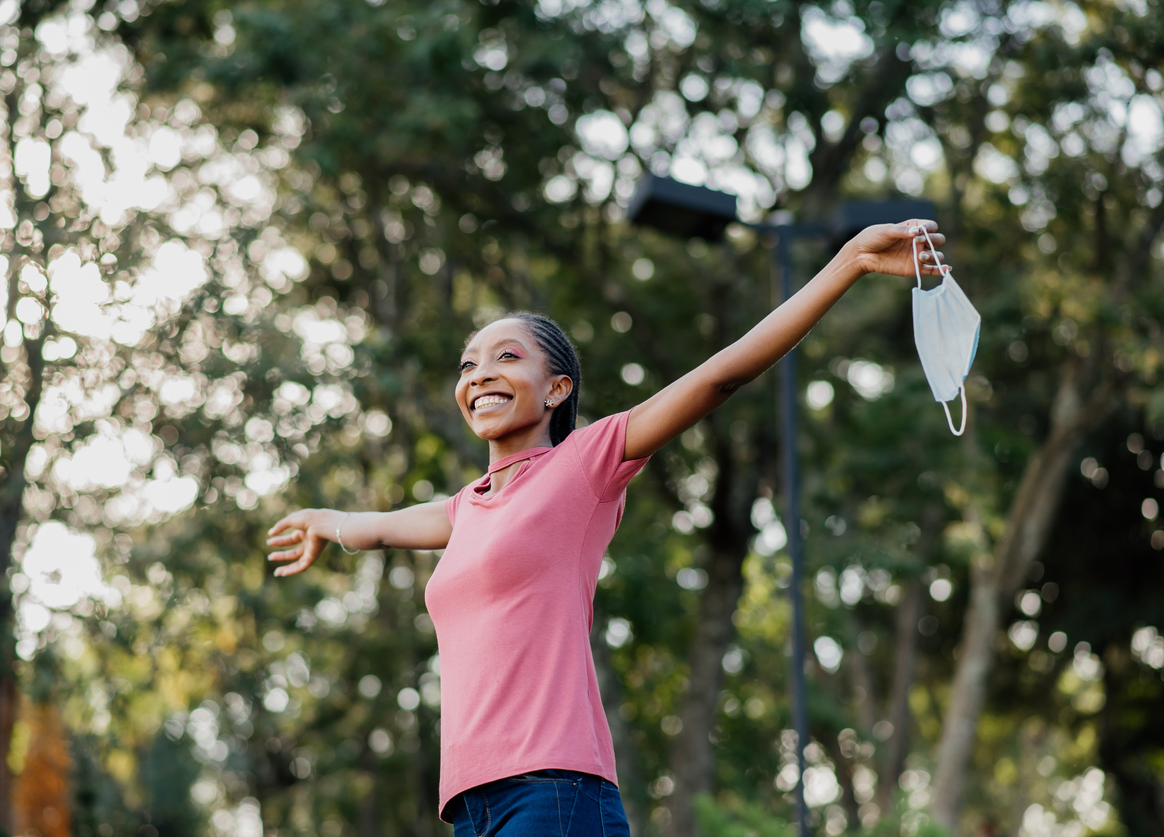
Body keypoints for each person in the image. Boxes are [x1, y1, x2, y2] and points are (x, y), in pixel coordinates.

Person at [266, 220, 951, 836]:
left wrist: (848, 262)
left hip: (553, 790)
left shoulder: (583, 464)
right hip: (471, 804)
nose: (479, 374)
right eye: (468, 363)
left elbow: (720, 377)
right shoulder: (465, 508)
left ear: (558, 388)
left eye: (507, 357)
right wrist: (328, 521)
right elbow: (381, 528)